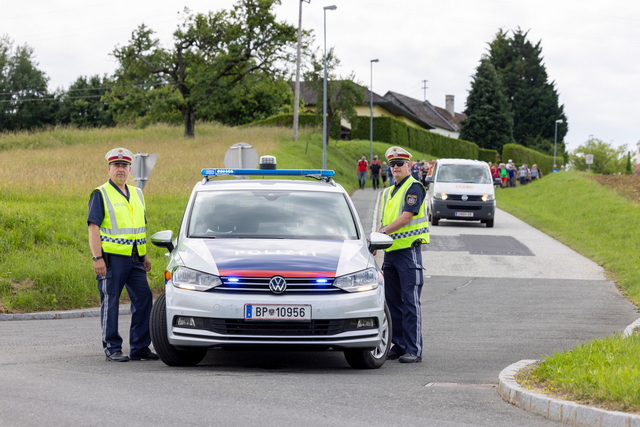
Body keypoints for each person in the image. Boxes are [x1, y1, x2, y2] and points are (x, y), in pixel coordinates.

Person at [88, 147, 158, 362]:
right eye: (116, 166)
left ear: (130, 169)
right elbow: (93, 227)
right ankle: (112, 347)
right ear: (109, 168)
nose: (121, 170)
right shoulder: (101, 193)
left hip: (135, 257)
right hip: (112, 259)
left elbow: (139, 226)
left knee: (144, 298)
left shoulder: (137, 193)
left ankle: (139, 347)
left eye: (125, 166)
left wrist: (144, 255)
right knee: (111, 301)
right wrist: (97, 258)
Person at [379, 146, 430, 364]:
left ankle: (414, 349)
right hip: (390, 253)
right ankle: (399, 345)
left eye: (400, 163)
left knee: (410, 301)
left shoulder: (414, 187)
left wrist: (381, 232)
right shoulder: (388, 192)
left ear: (409, 165)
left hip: (409, 253)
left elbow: (406, 217)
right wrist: (375, 241)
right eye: (393, 164)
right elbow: (384, 220)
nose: (396, 167)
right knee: (391, 302)